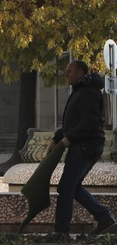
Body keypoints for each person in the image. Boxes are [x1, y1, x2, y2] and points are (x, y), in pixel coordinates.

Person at [47, 60, 116, 234]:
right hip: (85, 145)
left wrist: (68, 138)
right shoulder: (81, 91)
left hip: (85, 147)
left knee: (66, 187)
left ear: (80, 73)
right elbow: (74, 122)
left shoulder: (88, 93)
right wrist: (57, 137)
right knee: (72, 187)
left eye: (69, 71)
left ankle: (61, 232)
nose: (66, 74)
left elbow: (90, 122)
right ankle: (104, 218)